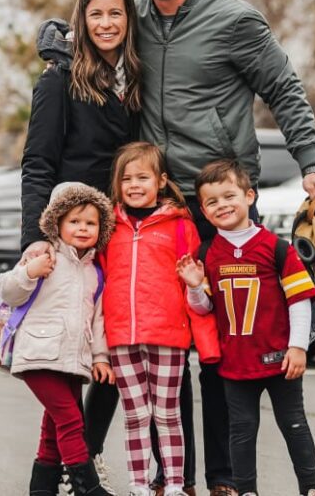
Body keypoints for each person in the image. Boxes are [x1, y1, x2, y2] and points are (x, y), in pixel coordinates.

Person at [127, 0, 315, 495]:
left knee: (222, 350)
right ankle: (175, 479)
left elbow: (283, 87)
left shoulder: (234, 20)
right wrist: (57, 38)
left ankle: (223, 478)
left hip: (221, 204)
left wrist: (311, 161)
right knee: (167, 350)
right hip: (162, 209)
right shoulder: (136, 16)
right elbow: (96, 27)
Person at [20, 0, 142, 493]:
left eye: (116, 13)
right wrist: (37, 237)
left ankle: (61, 474)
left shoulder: (138, 79)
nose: (106, 23)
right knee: (66, 366)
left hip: (124, 233)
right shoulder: (58, 80)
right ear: (81, 22)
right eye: (96, 15)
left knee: (108, 354)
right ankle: (81, 472)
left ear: (128, 20)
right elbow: (37, 163)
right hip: (73, 238)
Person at [178, 159, 315, 496]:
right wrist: (196, 286)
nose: (222, 205)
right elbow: (204, 308)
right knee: (241, 431)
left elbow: (299, 299)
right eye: (212, 201)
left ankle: (311, 489)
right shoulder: (207, 252)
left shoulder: (276, 248)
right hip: (235, 362)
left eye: (229, 196)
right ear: (203, 209)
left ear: (249, 196)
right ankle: (247, 490)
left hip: (279, 359)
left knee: (294, 424)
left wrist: (298, 347)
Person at [100, 142, 215, 496]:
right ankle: (138, 485)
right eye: (126, 179)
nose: (134, 185)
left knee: (167, 416)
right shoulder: (109, 228)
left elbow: (194, 285)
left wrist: (197, 296)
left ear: (161, 181)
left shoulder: (181, 227)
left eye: (142, 177)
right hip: (121, 335)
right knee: (135, 416)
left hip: (168, 335)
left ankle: (176, 484)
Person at [0, 182, 117, 496]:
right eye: (74, 221)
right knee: (70, 420)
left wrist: (101, 357)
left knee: (53, 425)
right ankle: (87, 487)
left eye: (90, 223)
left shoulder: (95, 272)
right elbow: (9, 293)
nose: (82, 228)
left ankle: (42, 488)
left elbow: (98, 321)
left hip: (72, 359)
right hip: (38, 355)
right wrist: (29, 272)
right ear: (58, 224)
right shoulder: (43, 255)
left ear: (101, 228)